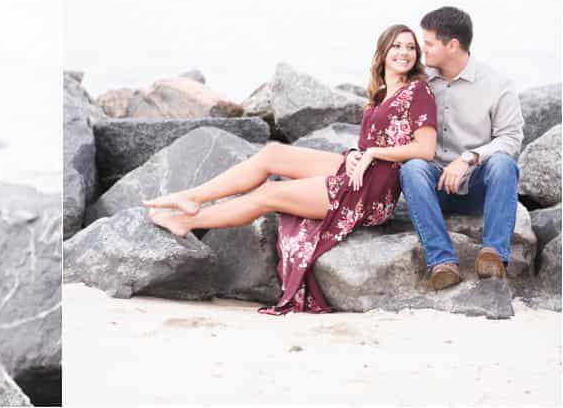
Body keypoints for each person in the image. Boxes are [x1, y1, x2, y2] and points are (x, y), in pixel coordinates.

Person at [144, 24, 438, 314]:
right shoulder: (381, 93)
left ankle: (187, 222)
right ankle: (193, 197)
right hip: (360, 170)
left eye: (411, 47)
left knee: (269, 192)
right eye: (397, 46)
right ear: (383, 51)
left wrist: (374, 152)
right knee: (273, 153)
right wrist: (353, 154)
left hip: (373, 190)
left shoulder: (418, 90)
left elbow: (425, 149)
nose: (404, 52)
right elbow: (369, 141)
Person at [399, 6, 524, 290]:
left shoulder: (498, 85)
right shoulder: (420, 82)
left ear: (452, 45)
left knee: (504, 164)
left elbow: (511, 138)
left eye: (429, 44)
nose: (423, 50)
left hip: (477, 185)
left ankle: (493, 254)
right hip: (433, 186)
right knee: (412, 168)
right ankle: (442, 262)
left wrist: (468, 158)